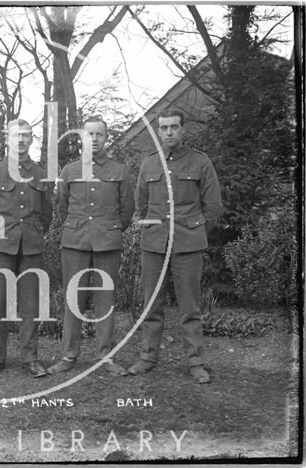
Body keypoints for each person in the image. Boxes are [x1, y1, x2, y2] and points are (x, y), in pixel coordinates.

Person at [128, 108, 223, 384]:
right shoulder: (149, 164)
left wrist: (194, 232)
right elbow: (141, 203)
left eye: (173, 127)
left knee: (189, 307)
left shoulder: (200, 162)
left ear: (183, 130)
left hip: (188, 245)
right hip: (154, 243)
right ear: (158, 131)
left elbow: (213, 207)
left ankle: (195, 362)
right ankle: (147, 357)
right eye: (164, 128)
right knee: (151, 304)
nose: (168, 132)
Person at [48, 116, 135, 377]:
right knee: (73, 299)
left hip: (108, 243)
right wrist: (78, 228)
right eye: (90, 134)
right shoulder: (69, 171)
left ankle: (105, 357)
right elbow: (61, 207)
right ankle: (68, 355)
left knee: (105, 300)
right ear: (82, 138)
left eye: (99, 134)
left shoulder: (119, 171)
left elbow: (126, 209)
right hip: (75, 243)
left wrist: (108, 229)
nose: (94, 139)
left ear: (106, 138)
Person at [0, 119, 53, 378]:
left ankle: (30, 357)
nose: (21, 140)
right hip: (0, 247)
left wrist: (34, 232)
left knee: (31, 304)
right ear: (7, 138)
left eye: (26, 136)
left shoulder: (40, 173)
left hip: (30, 245)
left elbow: (47, 212)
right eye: (16, 135)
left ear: (32, 140)